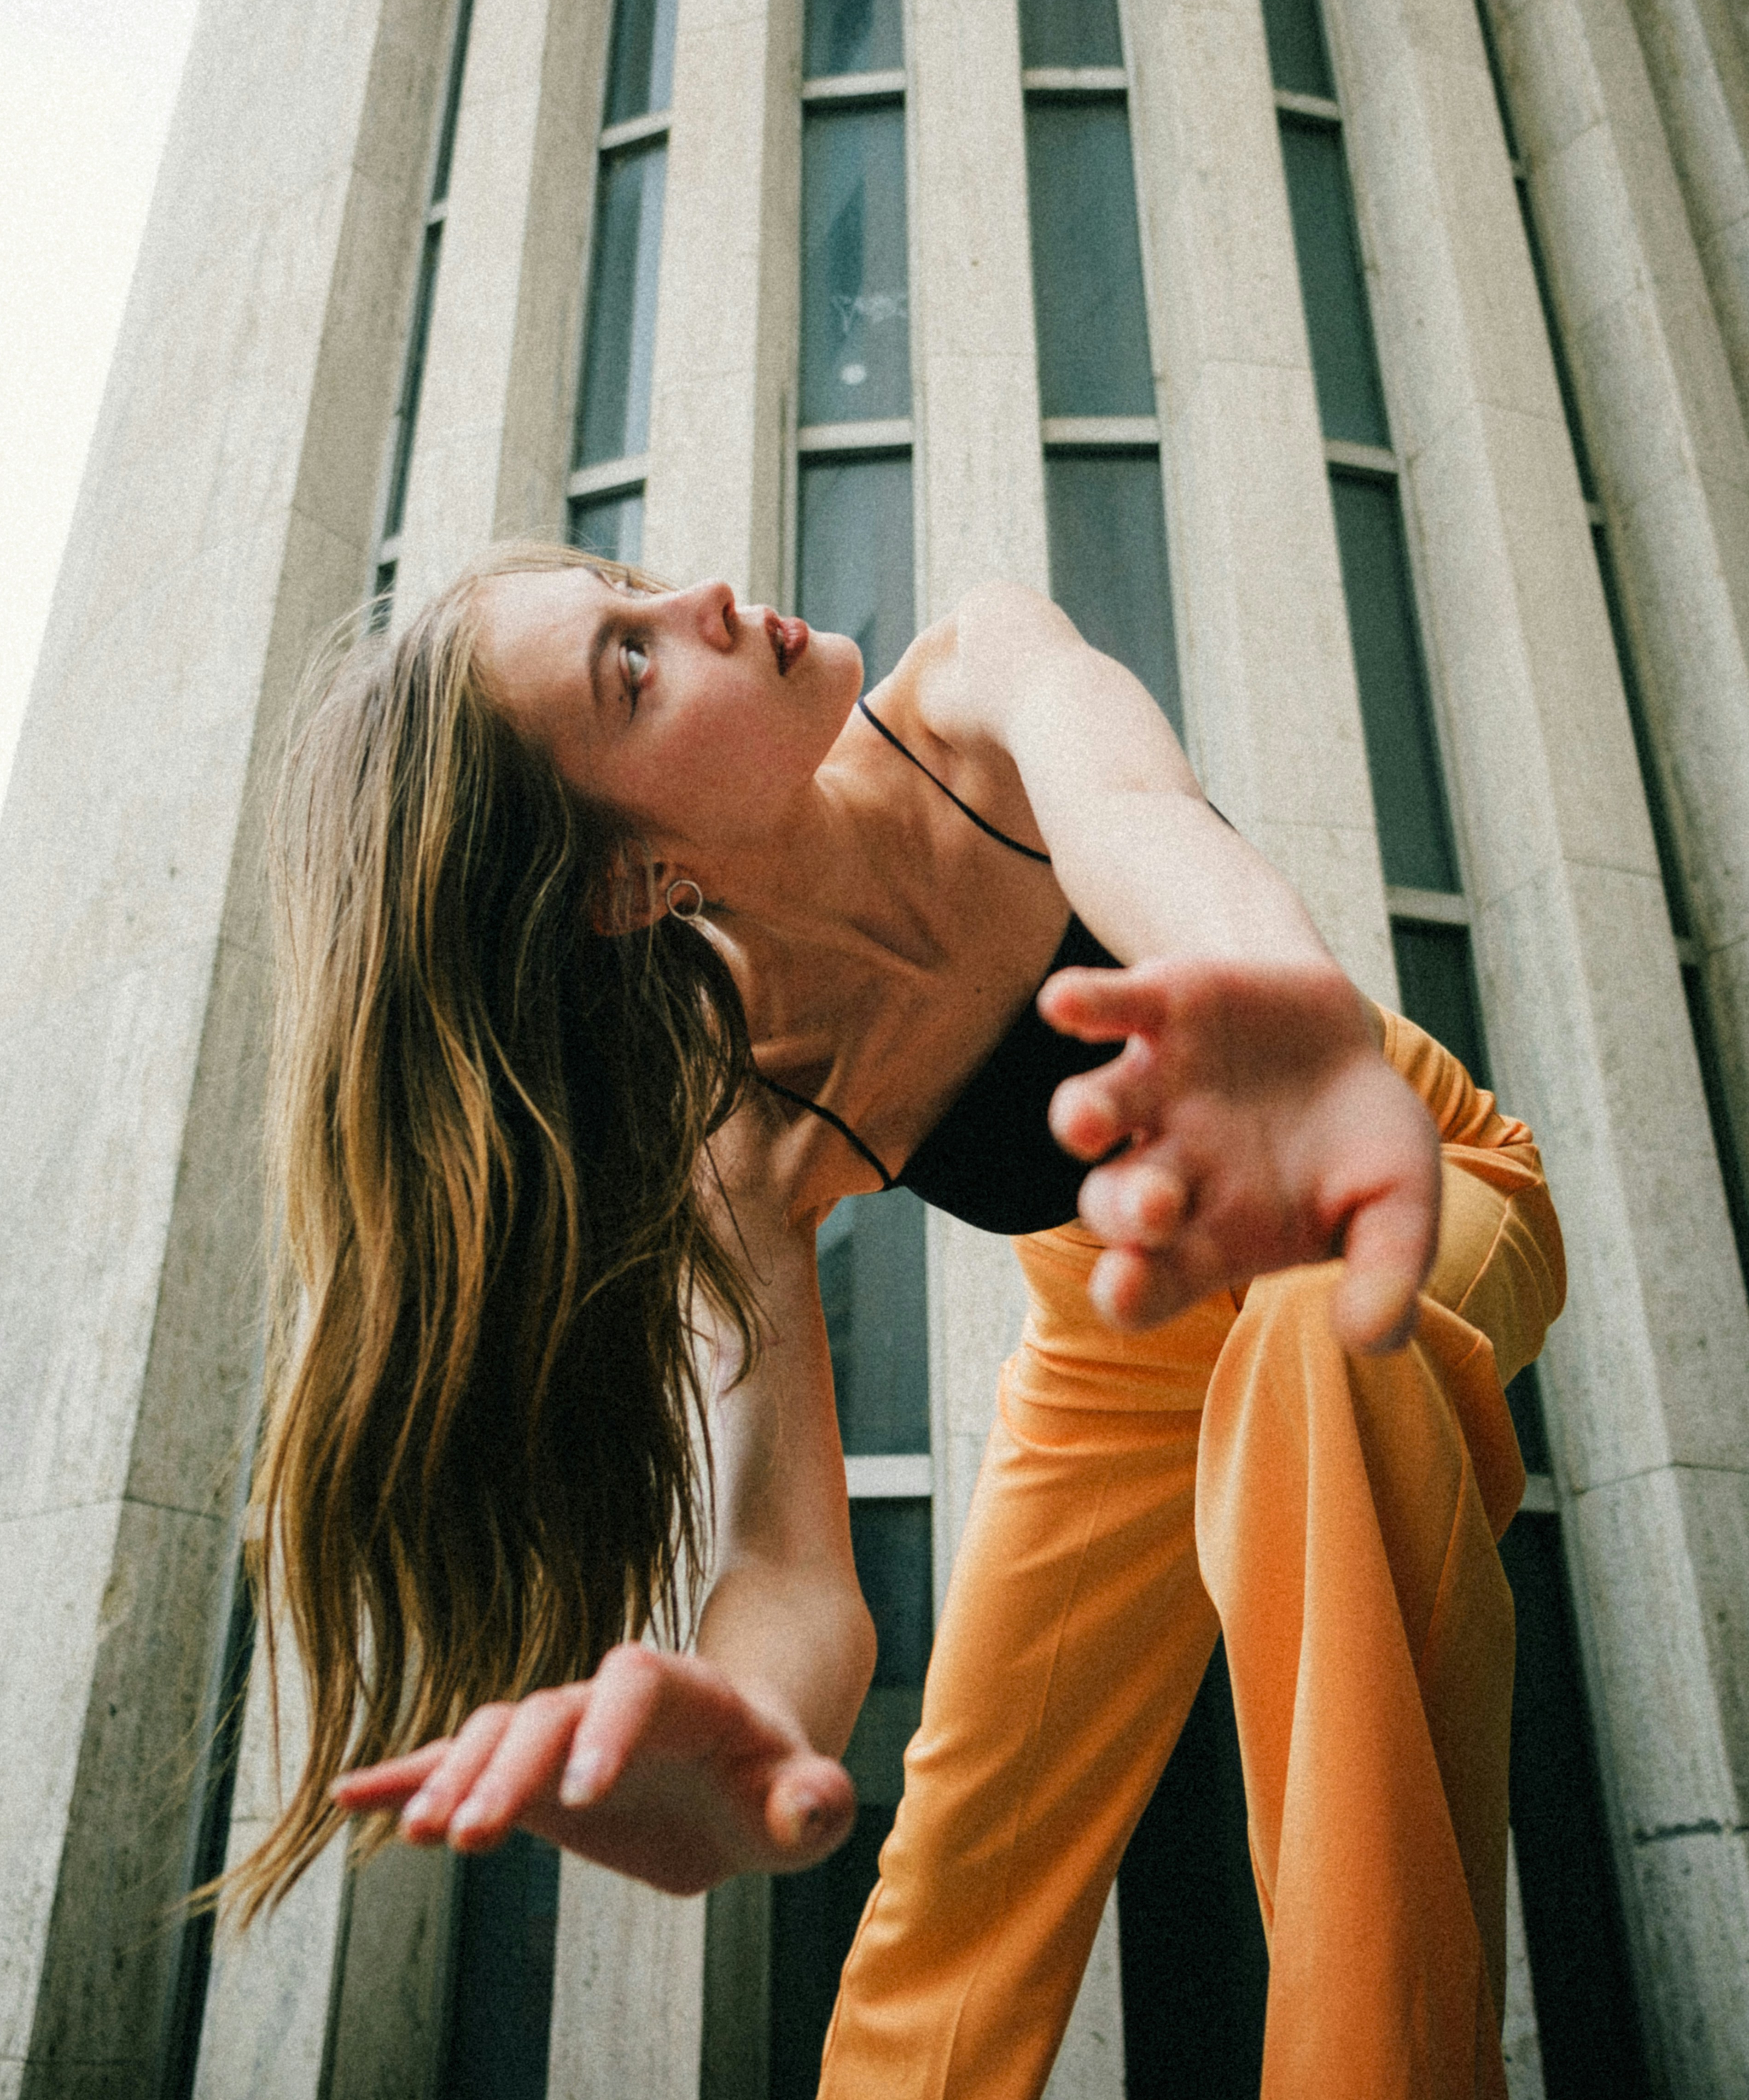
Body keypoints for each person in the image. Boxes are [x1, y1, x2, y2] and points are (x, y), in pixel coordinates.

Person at [237, 539, 1562, 2098]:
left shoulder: (982, 685)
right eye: (631, 664)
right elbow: (791, 1572)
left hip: (1395, 1181)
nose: (701, 601)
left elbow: (1136, 818)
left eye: (631, 581)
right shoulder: (748, 1120)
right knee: (960, 1864)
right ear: (633, 884)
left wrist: (1295, 1014)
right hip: (1119, 1349)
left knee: (1310, 1347)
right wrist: (734, 1723)